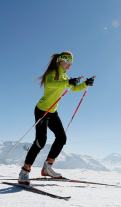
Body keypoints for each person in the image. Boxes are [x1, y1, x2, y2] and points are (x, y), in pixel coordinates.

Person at [18, 51, 95, 186]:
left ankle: (47, 167)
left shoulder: (64, 76)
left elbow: (73, 89)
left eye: (71, 63)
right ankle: (25, 171)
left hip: (53, 112)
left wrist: (85, 84)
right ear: (60, 60)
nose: (70, 65)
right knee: (41, 141)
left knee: (62, 138)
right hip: (42, 110)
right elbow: (51, 84)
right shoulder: (52, 73)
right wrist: (68, 81)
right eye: (68, 62)